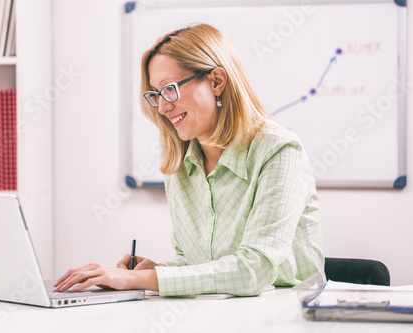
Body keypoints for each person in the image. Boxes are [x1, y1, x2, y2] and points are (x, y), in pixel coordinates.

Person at [54, 23, 325, 296]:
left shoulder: (279, 151)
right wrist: (153, 271)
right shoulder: (180, 165)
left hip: (288, 314)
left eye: (169, 89)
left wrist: (144, 280)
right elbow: (197, 263)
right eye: (156, 94)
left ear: (216, 81)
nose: (162, 107)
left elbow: (253, 271)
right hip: (216, 314)